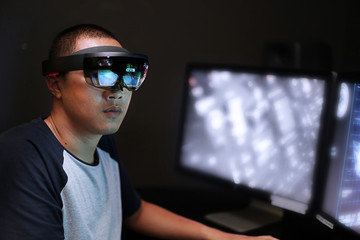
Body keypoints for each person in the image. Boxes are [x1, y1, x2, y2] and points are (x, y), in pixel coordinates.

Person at [0, 24, 277, 240]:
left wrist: (221, 236)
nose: (118, 91)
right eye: (102, 74)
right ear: (55, 84)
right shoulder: (25, 155)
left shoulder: (103, 143)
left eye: (128, 76)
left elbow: (136, 212)